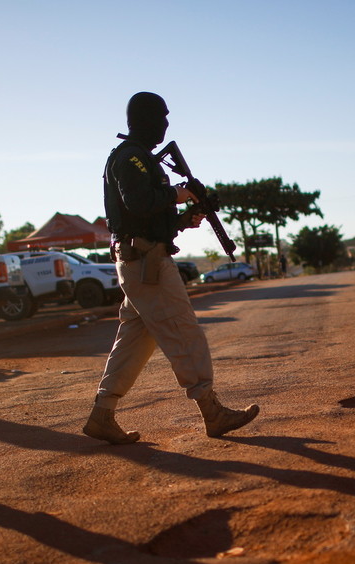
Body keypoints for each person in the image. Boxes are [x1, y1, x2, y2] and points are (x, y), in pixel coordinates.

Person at [84, 92, 259, 444]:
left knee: (134, 341)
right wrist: (179, 194)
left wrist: (182, 220)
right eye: (161, 117)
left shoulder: (141, 160)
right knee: (184, 331)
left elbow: (143, 216)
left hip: (141, 259)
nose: (166, 124)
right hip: (145, 263)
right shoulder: (131, 157)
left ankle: (102, 414)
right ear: (144, 119)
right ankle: (212, 411)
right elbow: (138, 203)